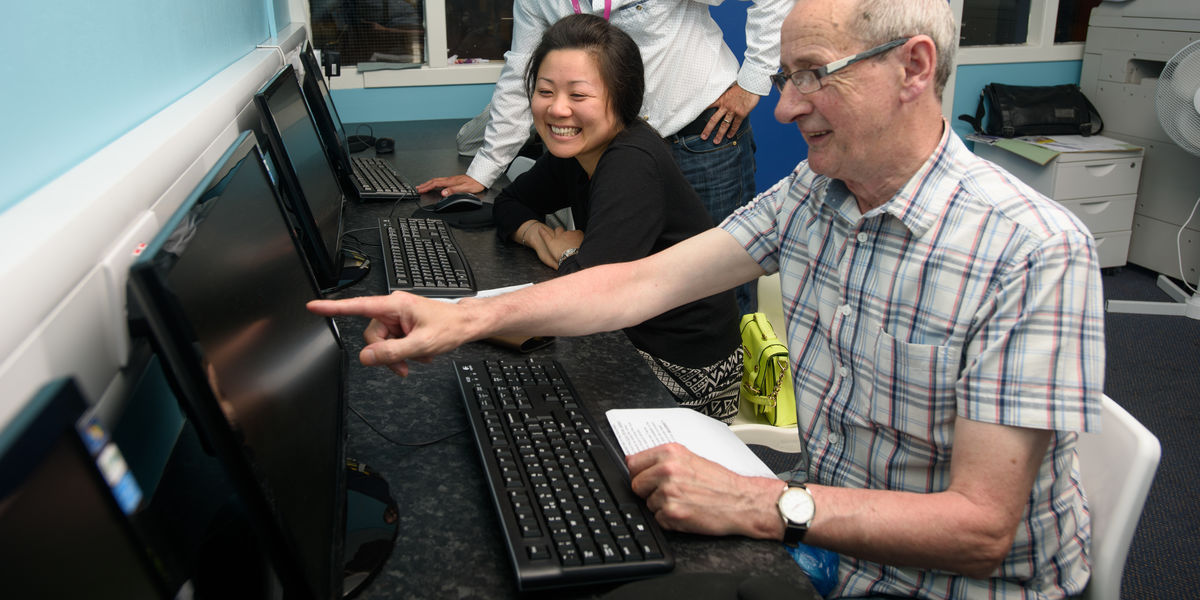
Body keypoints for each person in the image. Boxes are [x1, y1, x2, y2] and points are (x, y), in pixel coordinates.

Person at [309, 0, 1106, 597]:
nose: (786, 106)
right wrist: (465, 316)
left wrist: (762, 503)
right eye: (786, 76)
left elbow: (982, 529)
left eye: (811, 75)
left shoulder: (1031, 248)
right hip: (835, 544)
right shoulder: (815, 193)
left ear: (915, 67)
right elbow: (646, 281)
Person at [417, 0, 794, 314]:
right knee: (631, 285)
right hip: (606, 142)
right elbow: (524, 71)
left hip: (698, 131)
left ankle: (733, 394)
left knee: (720, 286)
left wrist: (755, 80)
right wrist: (484, 170)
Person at [495, 13, 743, 422]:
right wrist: (543, 237)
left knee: (527, 405)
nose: (558, 109)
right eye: (545, 91)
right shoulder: (577, 147)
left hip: (689, 370)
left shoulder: (631, 162)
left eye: (579, 95)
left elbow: (586, 292)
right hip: (628, 334)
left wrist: (570, 254)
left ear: (621, 96)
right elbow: (509, 204)